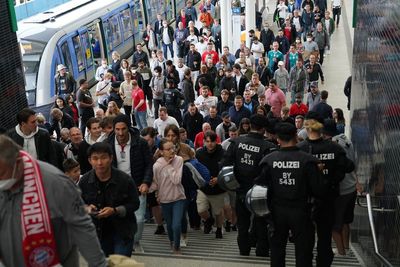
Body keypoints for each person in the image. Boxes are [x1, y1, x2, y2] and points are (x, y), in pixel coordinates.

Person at [0, 135, 107, 267]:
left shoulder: (56, 183)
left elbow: (81, 226)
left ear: (17, 163)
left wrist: (99, 264)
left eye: (1, 173)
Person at [255, 122, 324, 266]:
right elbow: (318, 190)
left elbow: (259, 188)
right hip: (302, 211)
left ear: (278, 139)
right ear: (295, 136)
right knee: (304, 251)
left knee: (277, 250)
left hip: (276, 211)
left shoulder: (268, 160)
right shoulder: (308, 161)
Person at [297, 111, 354, 267]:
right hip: (328, 197)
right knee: (325, 237)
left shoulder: (300, 148)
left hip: (305, 201)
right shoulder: (334, 148)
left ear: (307, 127)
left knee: (305, 238)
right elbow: (349, 167)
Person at [222, 114, 276, 256]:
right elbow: (270, 171)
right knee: (261, 222)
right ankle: (261, 250)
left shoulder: (236, 142)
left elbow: (225, 164)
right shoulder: (269, 146)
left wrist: (234, 181)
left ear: (250, 125)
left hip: (240, 189)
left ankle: (244, 250)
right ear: (263, 129)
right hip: (260, 191)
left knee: (243, 224)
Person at [80, 142, 140, 257]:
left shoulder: (125, 180)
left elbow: (134, 203)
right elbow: (76, 204)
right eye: (95, 158)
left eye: (103, 158)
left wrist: (116, 210)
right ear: (89, 160)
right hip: (97, 233)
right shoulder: (85, 181)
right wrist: (86, 208)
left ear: (111, 158)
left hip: (122, 231)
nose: (99, 162)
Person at [107, 115, 153, 252]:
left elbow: (149, 165)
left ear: (129, 128)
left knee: (138, 219)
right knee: (117, 216)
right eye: (117, 129)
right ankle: (123, 243)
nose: (120, 133)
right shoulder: (107, 144)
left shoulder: (141, 143)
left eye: (123, 129)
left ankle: (135, 241)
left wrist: (146, 182)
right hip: (115, 187)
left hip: (137, 185)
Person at [150, 138, 186, 254]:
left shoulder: (179, 160)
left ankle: (176, 246)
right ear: (161, 151)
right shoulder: (156, 166)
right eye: (168, 149)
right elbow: (156, 183)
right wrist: (145, 189)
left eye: (173, 148)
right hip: (164, 200)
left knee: (176, 225)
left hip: (178, 198)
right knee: (169, 225)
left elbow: (177, 180)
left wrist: (169, 165)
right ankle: (172, 242)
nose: (172, 151)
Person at [195, 131, 226, 238]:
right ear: (203, 142)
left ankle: (218, 228)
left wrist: (219, 178)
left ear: (216, 141)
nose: (210, 144)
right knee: (201, 210)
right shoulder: (199, 153)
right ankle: (209, 220)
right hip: (203, 187)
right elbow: (196, 169)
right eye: (207, 141)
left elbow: (227, 168)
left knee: (218, 212)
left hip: (218, 187)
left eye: (212, 141)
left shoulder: (223, 152)